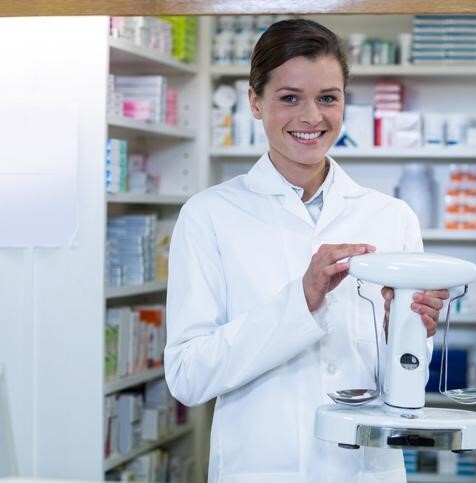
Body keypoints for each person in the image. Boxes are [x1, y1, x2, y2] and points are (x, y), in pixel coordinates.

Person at [164, 18, 449, 483]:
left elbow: (406, 385)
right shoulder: (208, 215)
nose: (312, 117)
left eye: (328, 98)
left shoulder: (392, 217)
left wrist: (406, 327)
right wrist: (302, 298)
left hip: (365, 468)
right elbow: (188, 377)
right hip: (260, 467)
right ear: (255, 102)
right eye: (289, 97)